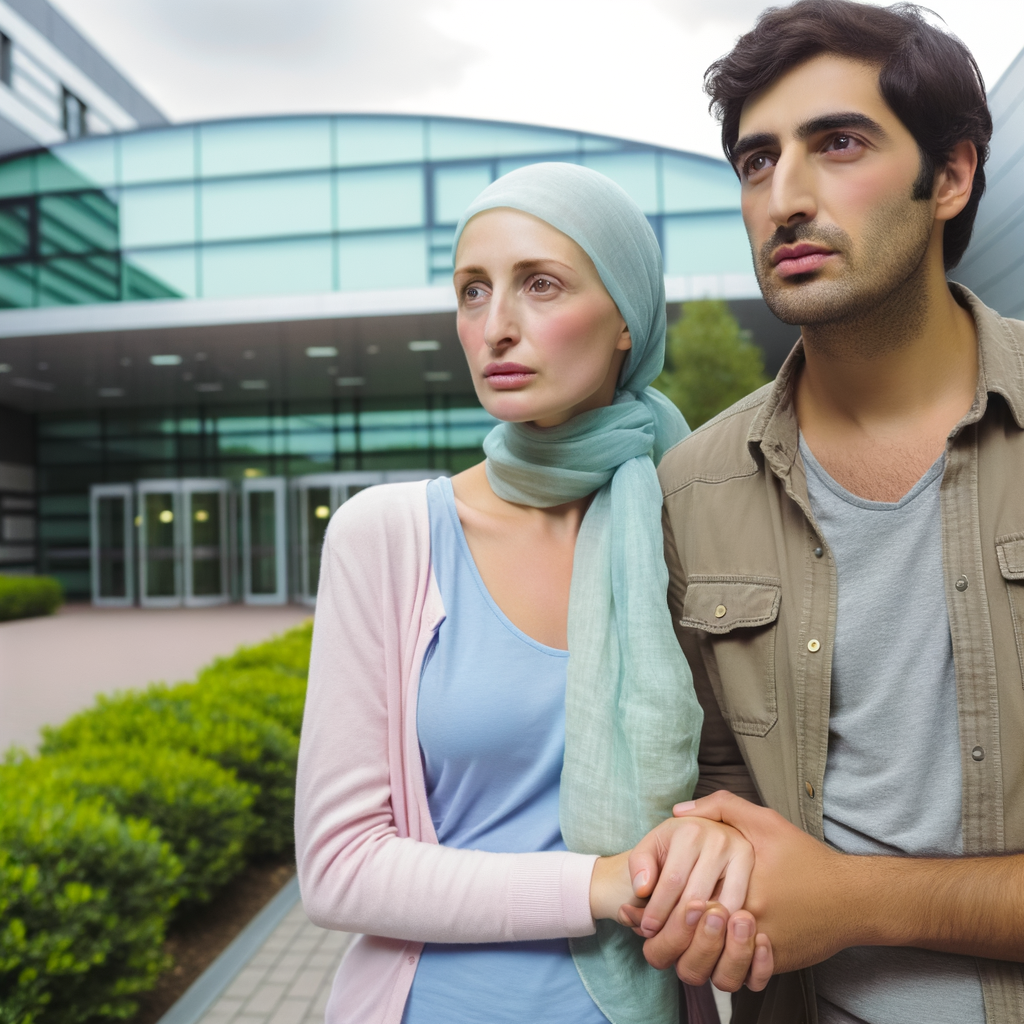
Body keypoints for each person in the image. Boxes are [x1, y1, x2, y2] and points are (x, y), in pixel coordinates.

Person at [625, 1, 1024, 1022]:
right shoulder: (693, 487)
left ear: (951, 176)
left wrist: (855, 900)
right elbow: (720, 796)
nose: (785, 199)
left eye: (837, 143)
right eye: (756, 161)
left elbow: (828, 891)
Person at [294, 162, 755, 1024]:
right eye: (472, 291)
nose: (496, 327)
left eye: (540, 284)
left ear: (626, 320)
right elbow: (338, 869)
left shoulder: (693, 524)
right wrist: (600, 884)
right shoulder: (390, 535)